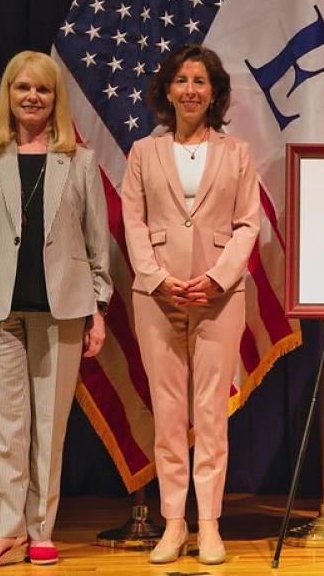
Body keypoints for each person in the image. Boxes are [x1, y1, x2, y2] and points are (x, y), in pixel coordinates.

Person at [0, 50, 112, 570]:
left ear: (55, 99)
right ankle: (3, 532)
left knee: (49, 427)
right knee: (2, 426)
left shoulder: (79, 162)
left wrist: (99, 307)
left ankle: (41, 530)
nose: (32, 97)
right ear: (9, 96)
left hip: (61, 311)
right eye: (22, 88)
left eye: (42, 89)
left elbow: (96, 243)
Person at [121, 44, 260, 566]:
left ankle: (209, 524)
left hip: (218, 299)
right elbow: (132, 222)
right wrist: (156, 279)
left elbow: (249, 222)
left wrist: (219, 279)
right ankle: (173, 523)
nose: (191, 90)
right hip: (158, 299)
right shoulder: (142, 152)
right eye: (182, 81)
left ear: (215, 92)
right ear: (166, 91)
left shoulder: (237, 152)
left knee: (210, 413)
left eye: (200, 81)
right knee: (169, 415)